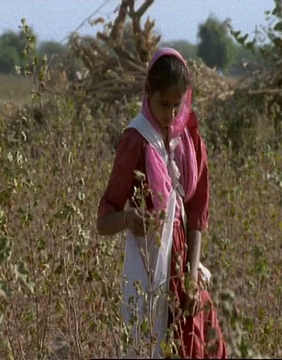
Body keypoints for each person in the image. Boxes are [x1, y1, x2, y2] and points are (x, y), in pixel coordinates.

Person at [97, 47, 228, 359]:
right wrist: (129, 220)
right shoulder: (136, 141)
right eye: (162, 104)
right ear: (147, 94)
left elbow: (196, 214)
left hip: (185, 269)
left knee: (200, 345)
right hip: (150, 271)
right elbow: (104, 221)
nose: (170, 114)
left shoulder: (190, 140)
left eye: (176, 105)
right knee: (153, 344)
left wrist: (193, 275)